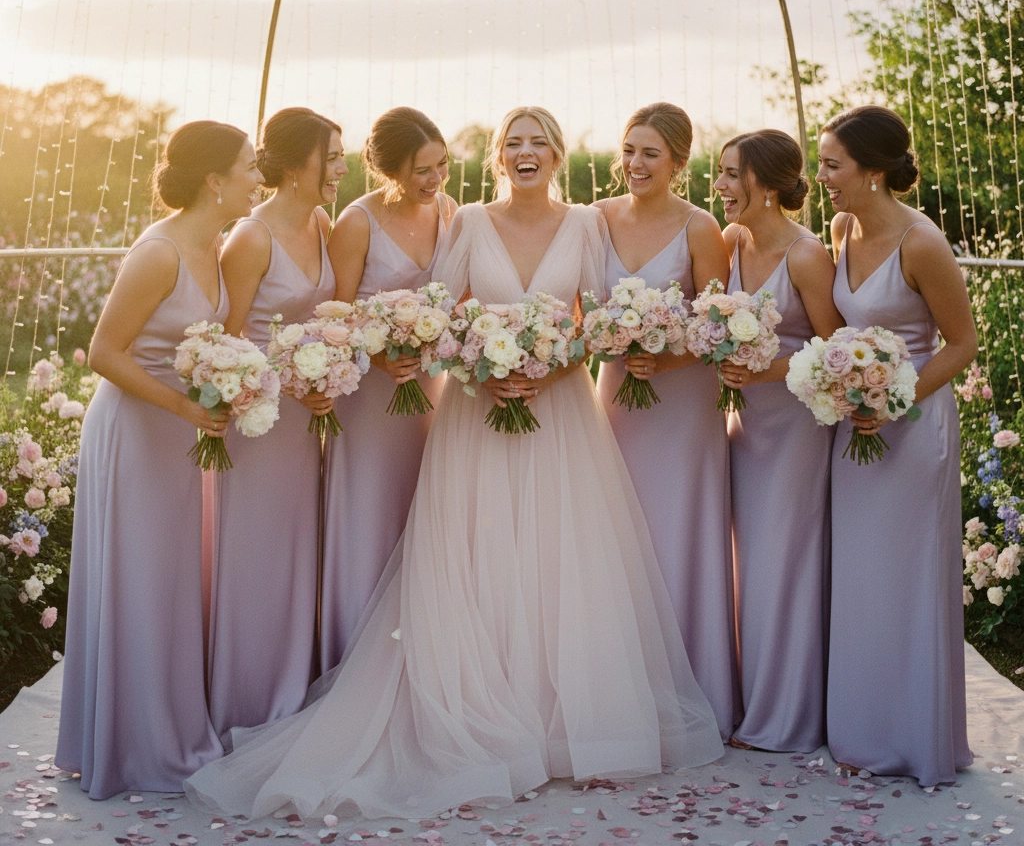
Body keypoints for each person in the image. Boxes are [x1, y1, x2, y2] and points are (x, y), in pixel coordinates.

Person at [184, 106, 722, 821]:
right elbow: (446, 315)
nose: (525, 152)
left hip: (562, 413)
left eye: (539, 142)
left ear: (559, 155)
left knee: (561, 558)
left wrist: (547, 373)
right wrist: (488, 369)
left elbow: (590, 324)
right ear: (498, 156)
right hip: (474, 411)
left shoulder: (587, 223)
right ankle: (476, 704)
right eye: (513, 143)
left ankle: (564, 718)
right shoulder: (466, 221)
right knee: (479, 551)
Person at [56, 121, 262, 798]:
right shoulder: (160, 252)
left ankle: (168, 726)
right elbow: (105, 352)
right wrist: (183, 408)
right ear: (215, 179)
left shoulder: (218, 243)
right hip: (135, 432)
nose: (257, 179)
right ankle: (132, 743)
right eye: (250, 168)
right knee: (139, 581)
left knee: (170, 584)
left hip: (179, 432)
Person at [817, 104, 976, 784]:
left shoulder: (923, 243)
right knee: (860, 577)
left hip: (913, 431)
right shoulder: (841, 228)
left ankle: (916, 738)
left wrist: (894, 396)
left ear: (873, 171)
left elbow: (963, 343)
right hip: (855, 429)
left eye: (832, 165)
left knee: (907, 579)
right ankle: (861, 729)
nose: (821, 177)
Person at [593, 102, 739, 740]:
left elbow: (720, 330)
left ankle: (694, 689)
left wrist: (666, 356)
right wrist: (611, 346)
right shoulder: (595, 220)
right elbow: (578, 311)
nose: (635, 164)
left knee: (678, 533)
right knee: (616, 535)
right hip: (618, 397)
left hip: (682, 404)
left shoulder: (700, 227)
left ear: (679, 162)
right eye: (628, 150)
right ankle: (619, 689)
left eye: (650, 153)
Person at [206, 107, 344, 739]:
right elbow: (225, 347)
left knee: (299, 554)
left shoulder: (320, 221)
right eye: (332, 157)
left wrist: (326, 373)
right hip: (258, 425)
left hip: (305, 423)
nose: (342, 168)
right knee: (258, 557)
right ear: (296, 166)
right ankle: (248, 703)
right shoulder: (250, 238)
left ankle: (295, 693)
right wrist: (291, 380)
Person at [714, 129, 844, 752]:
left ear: (765, 184)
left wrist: (763, 368)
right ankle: (750, 699)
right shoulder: (732, 242)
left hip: (795, 428)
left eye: (732, 175)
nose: (721, 187)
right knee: (749, 566)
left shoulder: (807, 255)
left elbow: (833, 352)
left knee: (783, 567)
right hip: (744, 425)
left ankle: (784, 718)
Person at [320, 106, 456, 670]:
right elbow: (334, 315)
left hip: (431, 391)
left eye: (442, 165)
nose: (435, 180)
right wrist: (379, 358)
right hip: (374, 398)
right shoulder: (357, 221)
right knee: (371, 513)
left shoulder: (448, 211)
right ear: (390, 170)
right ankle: (357, 658)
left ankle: (423, 650)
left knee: (426, 513)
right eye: (422, 170)